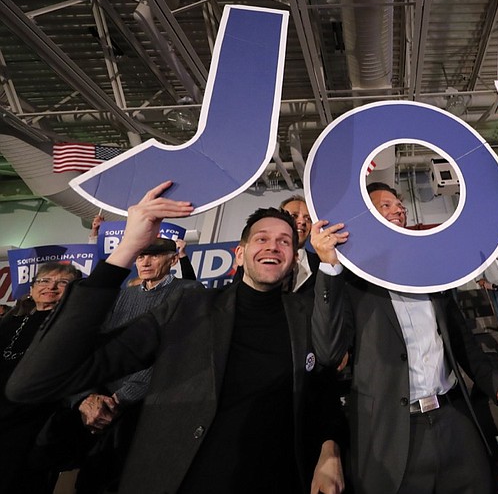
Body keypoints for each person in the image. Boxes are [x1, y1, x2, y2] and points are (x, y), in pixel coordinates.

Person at [6, 181, 345, 494]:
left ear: (293, 259)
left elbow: (326, 374)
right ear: (240, 254)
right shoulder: (189, 306)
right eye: (261, 238)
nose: (273, 246)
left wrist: (329, 450)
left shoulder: (305, 315)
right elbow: (33, 383)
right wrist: (126, 249)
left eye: (285, 241)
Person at [311, 181, 498, 494]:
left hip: (455, 422)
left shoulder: (430, 271)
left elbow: (461, 340)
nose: (398, 208)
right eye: (385, 205)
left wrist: (496, 384)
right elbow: (328, 353)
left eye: (399, 205)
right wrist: (329, 268)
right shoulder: (351, 281)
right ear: (364, 215)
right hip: (391, 436)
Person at [72, 237, 203, 493]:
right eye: (141, 256)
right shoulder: (124, 295)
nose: (145, 261)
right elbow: (100, 347)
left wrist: (121, 398)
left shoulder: (189, 292)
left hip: (151, 406)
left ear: (173, 259)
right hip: (104, 409)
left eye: (154, 255)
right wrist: (91, 397)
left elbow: (176, 352)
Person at [0, 262, 80, 493]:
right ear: (33, 288)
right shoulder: (12, 320)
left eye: (62, 283)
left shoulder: (72, 325)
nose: (51, 287)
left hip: (32, 423)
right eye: (44, 281)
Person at [280, 195, 320, 295]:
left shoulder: (321, 264)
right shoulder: (260, 258)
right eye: (294, 216)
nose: (302, 222)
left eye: (308, 218)